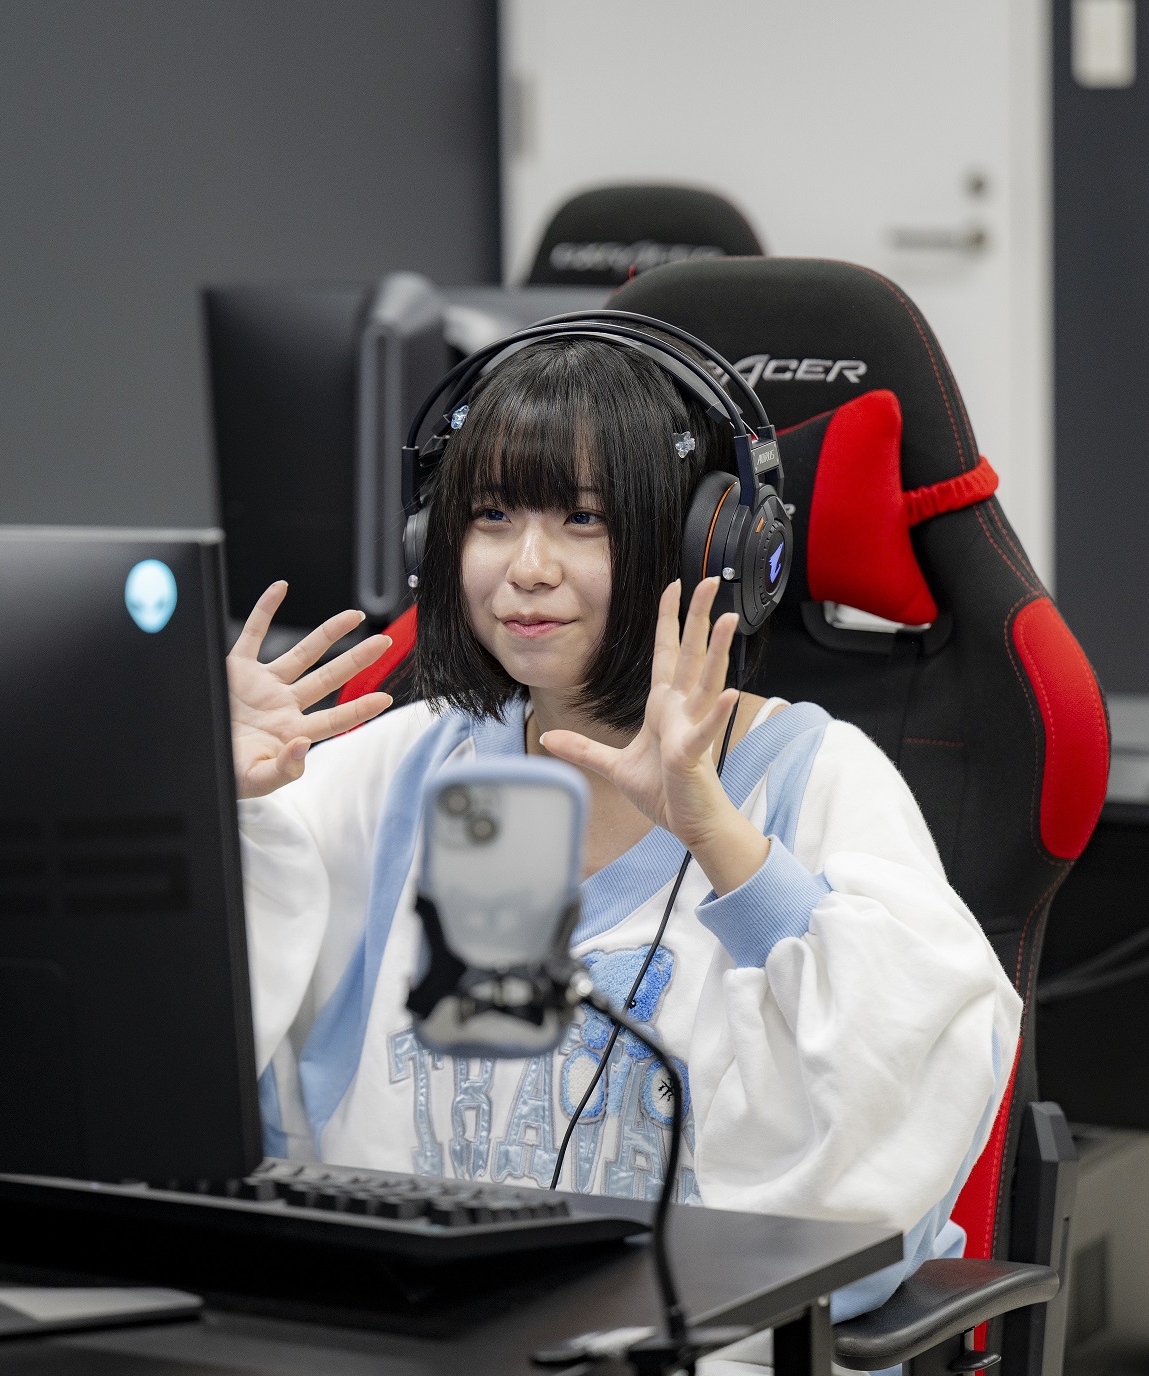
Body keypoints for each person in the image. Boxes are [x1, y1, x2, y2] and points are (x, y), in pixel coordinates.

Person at [227, 336, 1021, 1320]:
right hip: (417, 1328)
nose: (527, 567)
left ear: (702, 547)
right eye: (492, 515)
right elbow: (198, 1037)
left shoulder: (816, 779)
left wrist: (718, 837)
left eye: (584, 518)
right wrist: (215, 807)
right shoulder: (399, 770)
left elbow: (899, 1115)